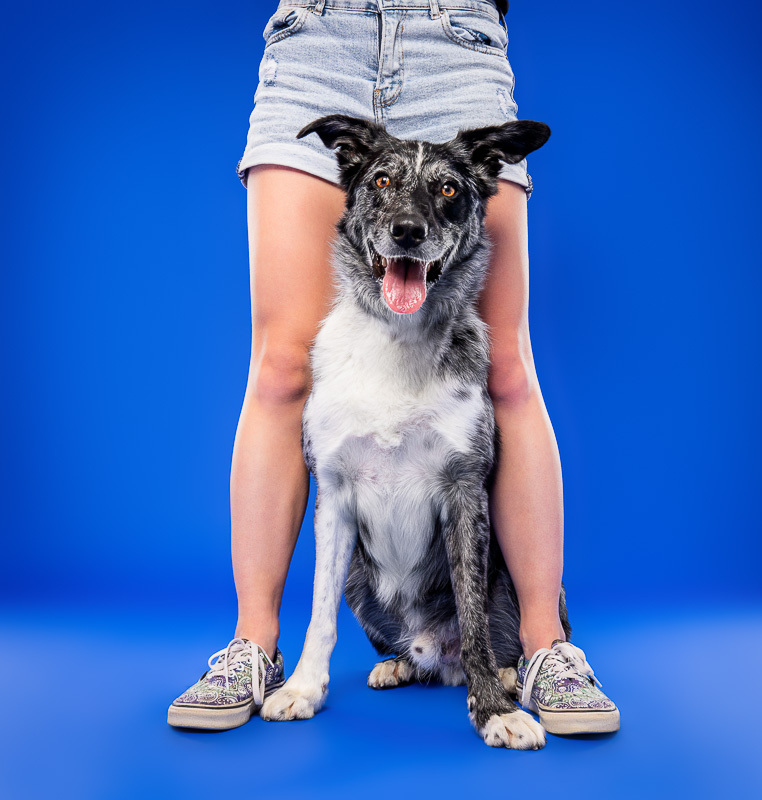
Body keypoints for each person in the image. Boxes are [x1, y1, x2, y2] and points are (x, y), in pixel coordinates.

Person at [167, 0, 619, 737]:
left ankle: (542, 645)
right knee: (281, 367)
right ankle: (255, 645)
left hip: (457, 37)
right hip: (316, 39)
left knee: (503, 368)